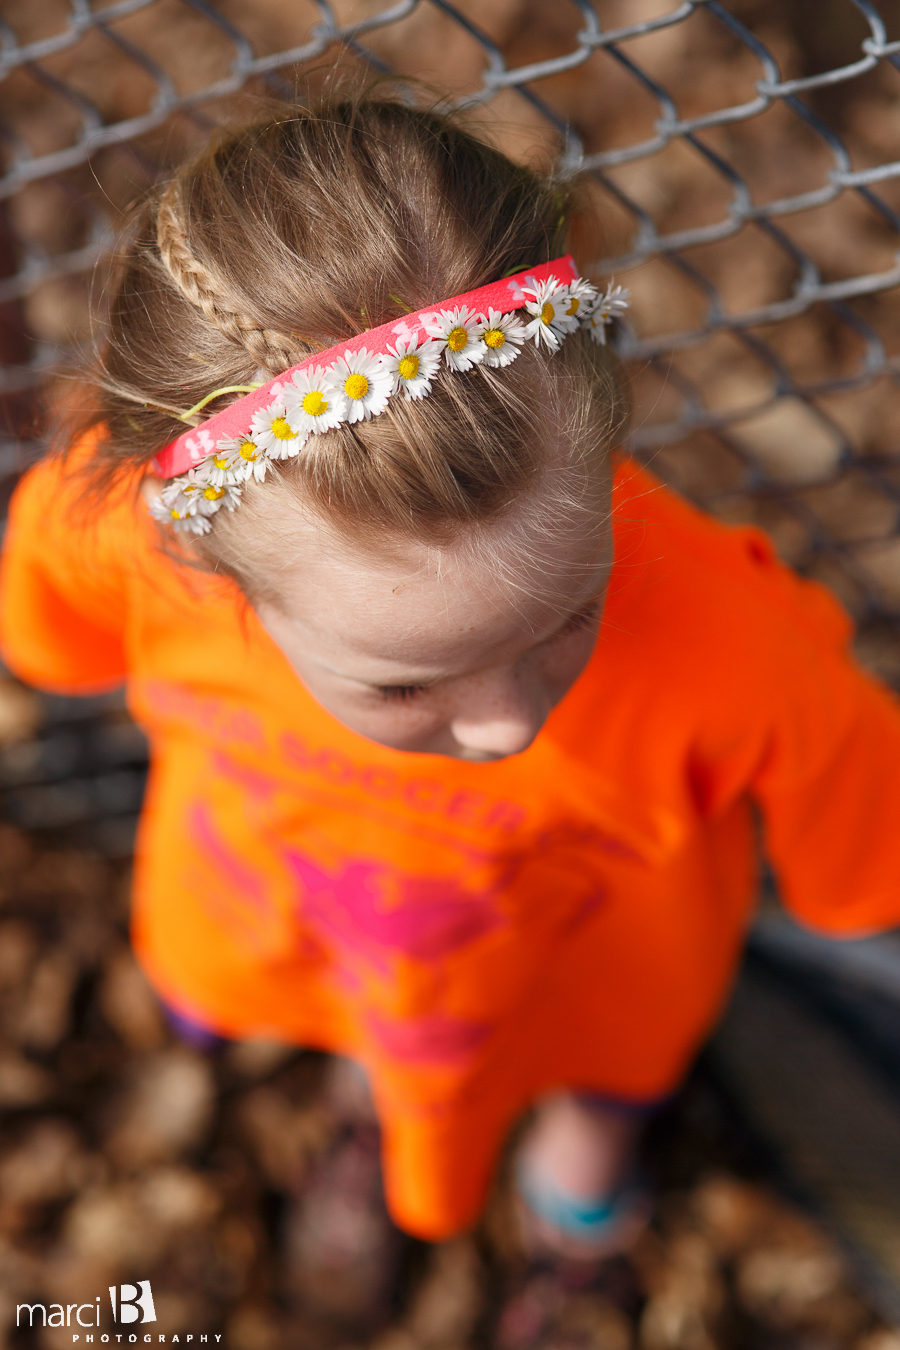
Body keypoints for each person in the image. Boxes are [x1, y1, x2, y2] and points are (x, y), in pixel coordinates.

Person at [2, 94, 900, 1277]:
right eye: (404, 684)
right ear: (199, 558)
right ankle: (374, 1111)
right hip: (300, 927)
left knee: (596, 1075)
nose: (511, 722)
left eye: (571, 611)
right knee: (361, 1035)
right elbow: (49, 624)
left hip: (588, 980)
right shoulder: (131, 539)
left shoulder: (747, 653)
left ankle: (577, 1180)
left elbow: (863, 851)